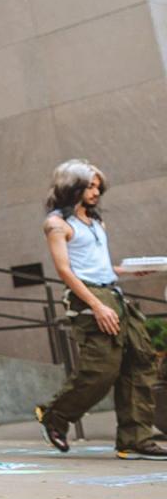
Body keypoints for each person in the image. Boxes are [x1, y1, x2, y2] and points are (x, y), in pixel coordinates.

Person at [34, 159, 166, 458]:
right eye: (89, 186)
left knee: (141, 360)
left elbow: (99, 265)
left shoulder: (95, 222)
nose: (96, 192)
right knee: (102, 368)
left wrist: (128, 271)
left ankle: (135, 438)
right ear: (72, 187)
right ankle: (55, 416)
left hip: (113, 293)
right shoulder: (57, 224)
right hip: (88, 297)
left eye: (97, 186)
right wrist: (95, 306)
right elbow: (66, 271)